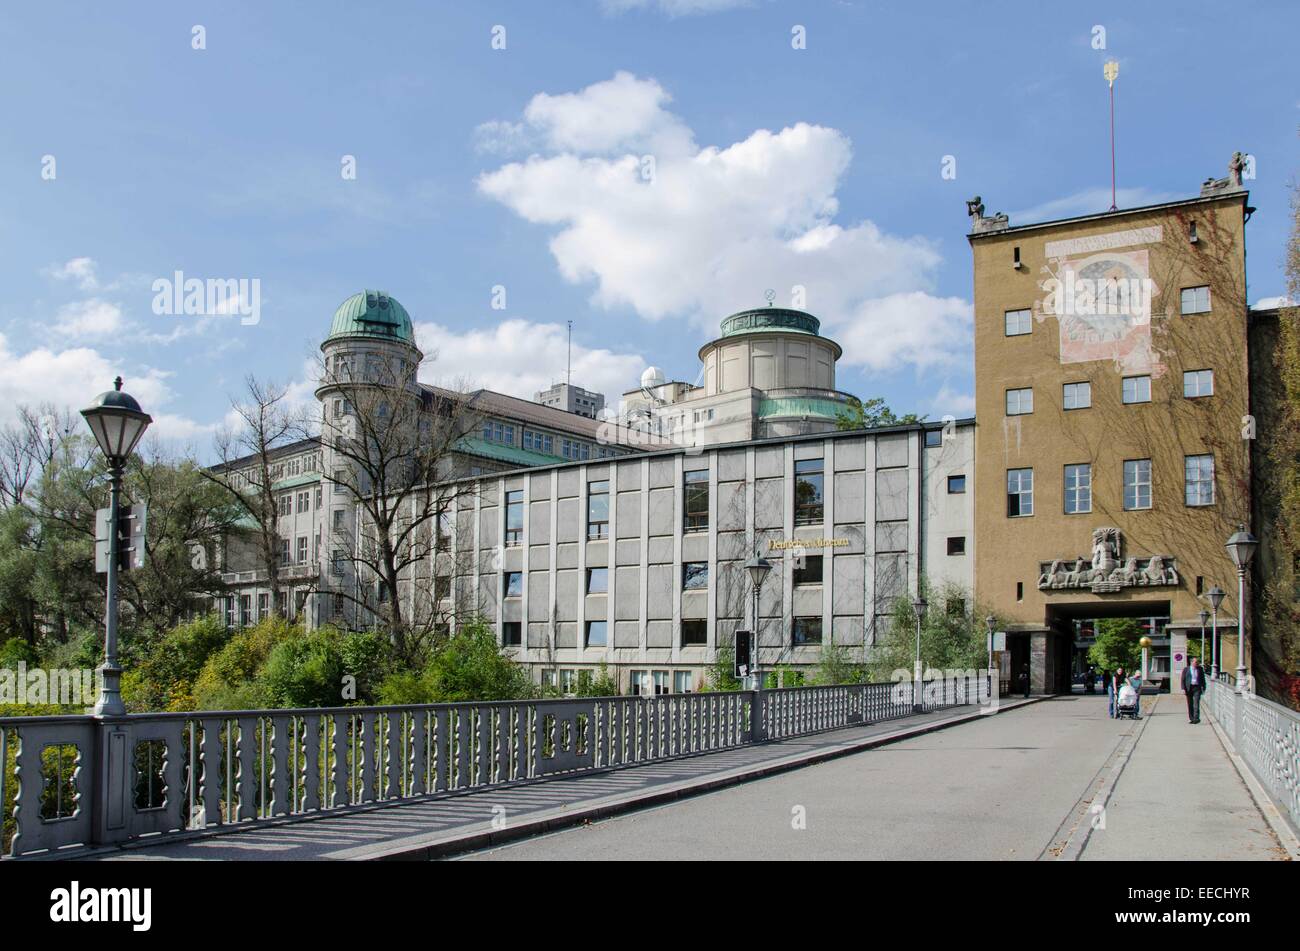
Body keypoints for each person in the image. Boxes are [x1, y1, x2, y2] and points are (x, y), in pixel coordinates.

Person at [1181, 656, 1207, 723]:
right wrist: (1183, 688)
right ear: (1191, 662)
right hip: (1189, 688)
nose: (1197, 663)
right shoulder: (1186, 669)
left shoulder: (1200, 669)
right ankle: (1191, 718)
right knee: (1190, 704)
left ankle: (1196, 718)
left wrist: (1204, 687)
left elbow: (1203, 679)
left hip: (1197, 688)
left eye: (1197, 662)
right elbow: (1183, 679)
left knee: (1196, 703)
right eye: (1195, 662)